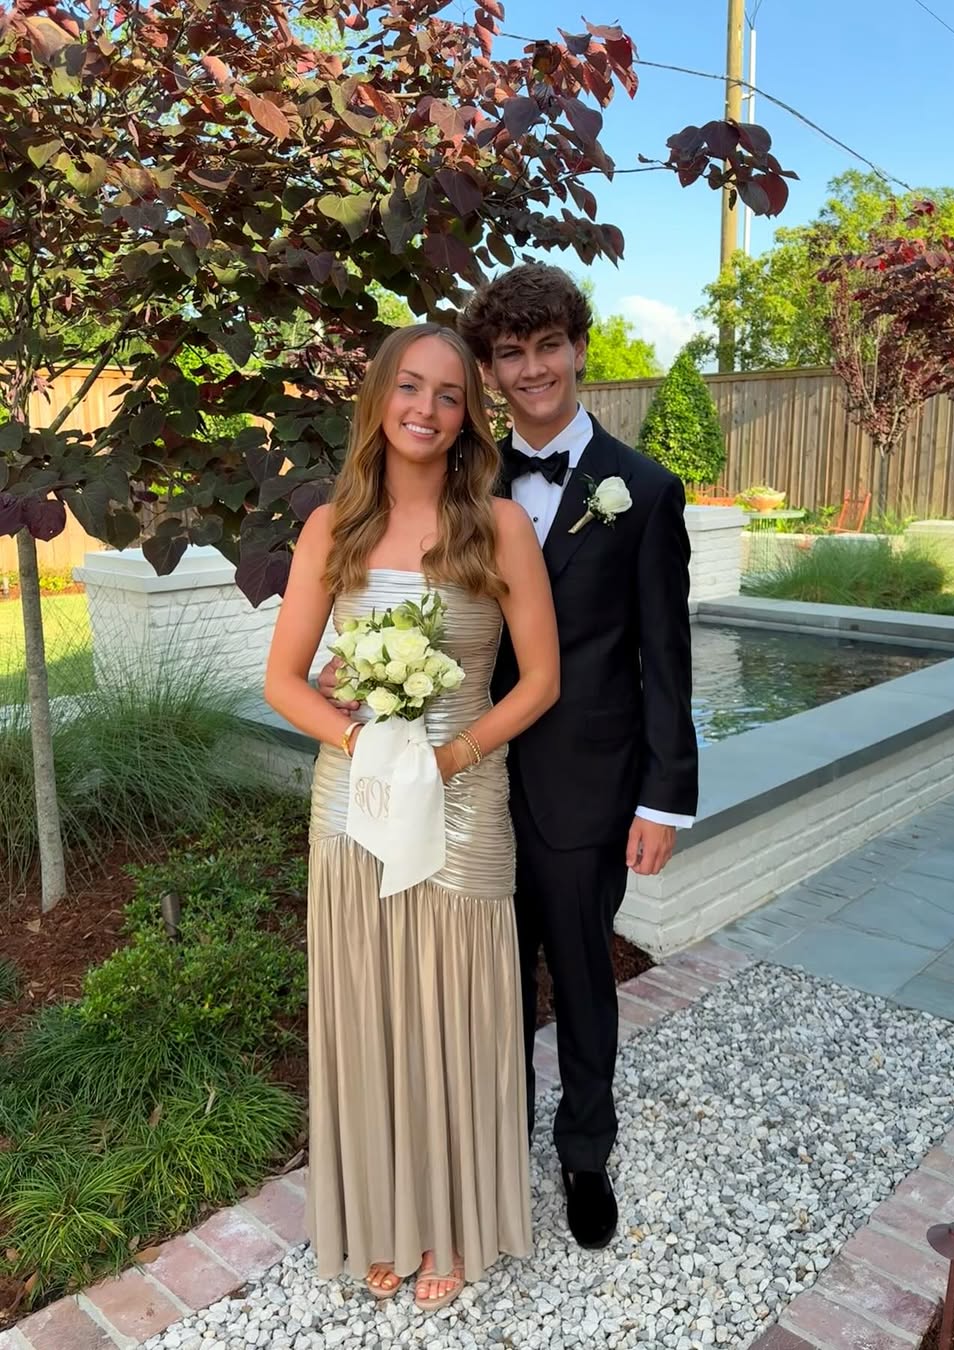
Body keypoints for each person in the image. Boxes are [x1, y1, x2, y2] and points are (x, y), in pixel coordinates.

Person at [322, 266, 699, 1252]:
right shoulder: (455, 483)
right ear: (488, 371)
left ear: (579, 349)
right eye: (511, 353)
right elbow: (403, 609)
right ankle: (491, 1148)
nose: (532, 369)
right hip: (458, 795)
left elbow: (666, 657)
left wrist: (663, 798)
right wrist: (351, 672)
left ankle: (584, 1153)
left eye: (549, 347)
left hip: (584, 784)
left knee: (580, 976)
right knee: (481, 985)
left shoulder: (643, 490)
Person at [265, 323, 560, 1311]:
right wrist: (368, 747)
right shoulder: (331, 529)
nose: (426, 409)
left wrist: (445, 758)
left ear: (469, 415)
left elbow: (541, 682)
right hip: (355, 806)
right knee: (373, 1012)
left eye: (448, 394)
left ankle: (452, 1221)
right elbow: (285, 680)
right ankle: (384, 1218)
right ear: (379, 399)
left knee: (458, 1016)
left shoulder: (499, 526)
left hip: (464, 802)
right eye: (410, 387)